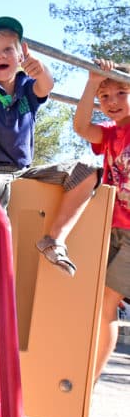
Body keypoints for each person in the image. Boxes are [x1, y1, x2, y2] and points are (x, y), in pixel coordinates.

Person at [0, 16, 99, 276]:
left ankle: (54, 239)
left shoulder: (26, 87)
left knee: (87, 170)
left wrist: (40, 68)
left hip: (24, 170)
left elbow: (47, 86)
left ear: (21, 55)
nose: (1, 55)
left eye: (8, 49)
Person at [73, 58, 130, 383]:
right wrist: (91, 83)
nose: (112, 103)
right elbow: (81, 127)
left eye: (121, 93)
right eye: (104, 97)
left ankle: (88, 381)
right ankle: (83, 374)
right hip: (110, 227)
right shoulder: (109, 135)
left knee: (108, 302)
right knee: (98, 301)